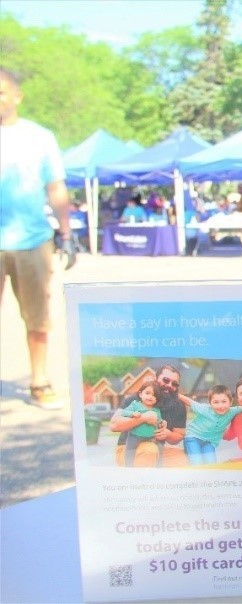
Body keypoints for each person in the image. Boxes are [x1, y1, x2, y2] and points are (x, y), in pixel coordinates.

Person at [0, 68, 76, 410]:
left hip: (32, 240)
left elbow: (56, 187)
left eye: (2, 92)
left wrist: (67, 233)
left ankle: (39, 381)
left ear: (17, 96)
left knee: (38, 317)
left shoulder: (40, 137)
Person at [110, 365, 188, 467]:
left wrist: (168, 434)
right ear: (155, 379)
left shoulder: (178, 406)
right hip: (129, 449)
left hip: (157, 449)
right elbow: (113, 425)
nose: (169, 385)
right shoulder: (137, 398)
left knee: (188, 457)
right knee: (150, 450)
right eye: (165, 380)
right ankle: (139, 480)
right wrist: (143, 418)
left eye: (174, 384)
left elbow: (179, 435)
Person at [177, 385, 242, 465]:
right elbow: (190, 402)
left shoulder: (232, 411)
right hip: (193, 438)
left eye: (224, 401)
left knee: (211, 464)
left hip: (209, 442)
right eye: (216, 402)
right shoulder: (204, 409)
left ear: (230, 402)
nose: (220, 406)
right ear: (210, 403)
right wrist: (176, 394)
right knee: (197, 462)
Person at [121, 381, 165, 467]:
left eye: (154, 395)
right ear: (141, 394)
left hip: (151, 436)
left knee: (160, 447)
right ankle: (128, 467)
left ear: (157, 399)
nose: (150, 397)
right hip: (135, 435)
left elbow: (159, 421)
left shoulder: (156, 410)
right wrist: (132, 414)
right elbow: (123, 412)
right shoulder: (135, 405)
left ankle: (159, 467)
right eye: (147, 393)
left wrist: (162, 423)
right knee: (130, 451)